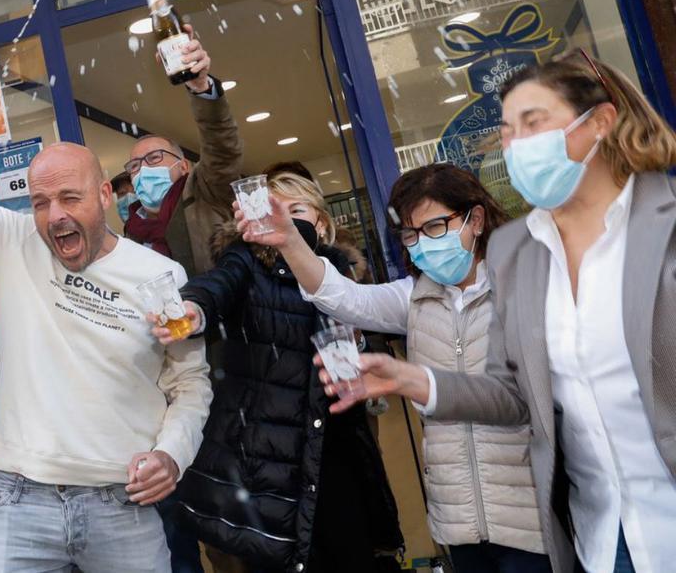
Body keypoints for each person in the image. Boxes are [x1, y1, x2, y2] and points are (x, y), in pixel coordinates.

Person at [310, 50, 676, 573]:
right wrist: (410, 378)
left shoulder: (667, 228)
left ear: (598, 123)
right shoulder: (517, 253)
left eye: (534, 122)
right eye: (506, 130)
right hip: (601, 534)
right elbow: (513, 394)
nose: (517, 144)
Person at [0, 50, 213, 573]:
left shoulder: (156, 276)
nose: (55, 215)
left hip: (123, 502)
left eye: (71, 197)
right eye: (41, 202)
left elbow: (190, 383)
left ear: (107, 196)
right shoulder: (9, 241)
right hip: (20, 502)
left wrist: (171, 455)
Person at [267, 162, 549, 572]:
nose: (423, 243)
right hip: (459, 517)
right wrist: (292, 242)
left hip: (531, 511)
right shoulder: (414, 297)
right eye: (411, 234)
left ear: (476, 219)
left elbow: (528, 396)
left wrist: (416, 382)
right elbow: (343, 298)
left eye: (436, 227)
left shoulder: (526, 286)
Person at [155, 172, 403, 572]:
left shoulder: (341, 275)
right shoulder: (246, 262)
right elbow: (215, 288)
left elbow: (368, 333)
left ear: (322, 222)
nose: (285, 222)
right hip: (269, 452)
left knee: (351, 552)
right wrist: (194, 309)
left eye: (297, 211)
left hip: (337, 448)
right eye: (275, 212)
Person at [124, 24, 243, 275]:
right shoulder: (132, 230)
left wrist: (200, 87)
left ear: (183, 166)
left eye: (154, 158)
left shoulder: (206, 191)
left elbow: (222, 148)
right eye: (135, 166)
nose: (143, 170)